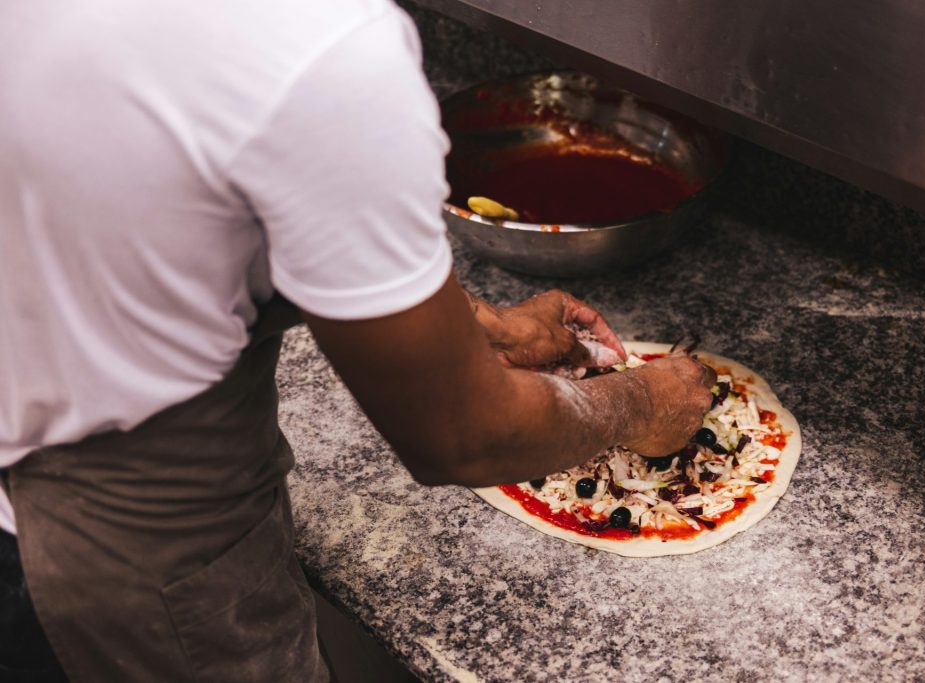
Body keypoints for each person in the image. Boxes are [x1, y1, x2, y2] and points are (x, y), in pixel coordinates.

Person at [0, 0, 714, 681]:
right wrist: (637, 402)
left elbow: (182, 204)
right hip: (119, 560)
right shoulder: (325, 52)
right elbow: (466, 434)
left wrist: (473, 322)